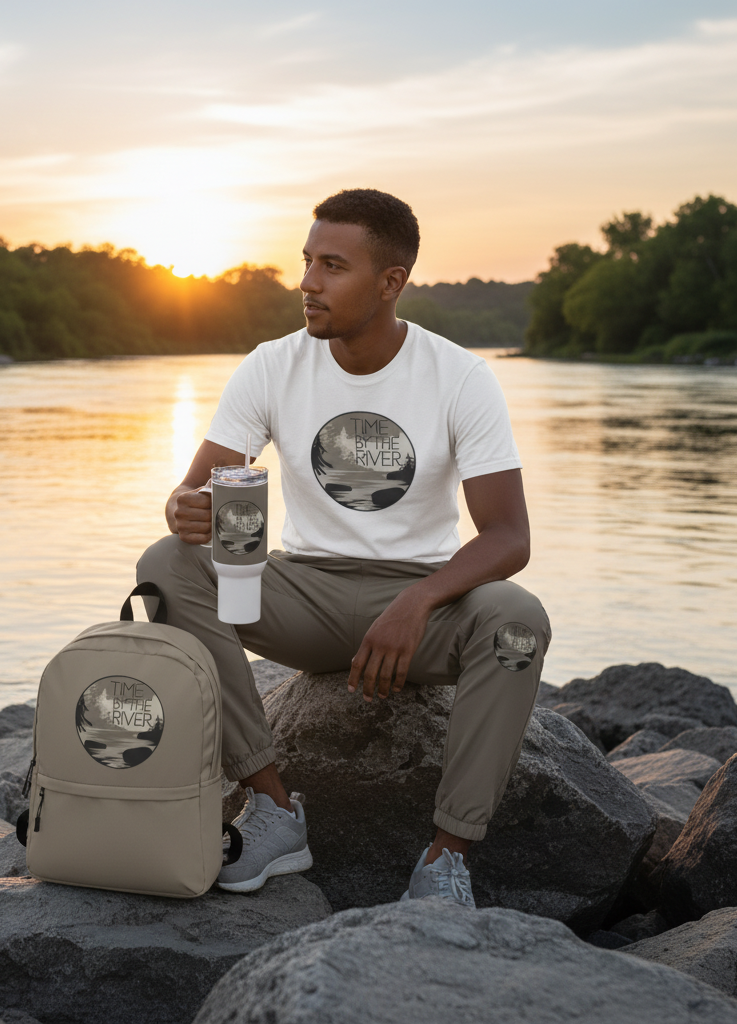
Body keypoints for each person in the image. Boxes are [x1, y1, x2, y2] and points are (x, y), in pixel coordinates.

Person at [137, 188, 550, 907]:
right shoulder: (271, 366)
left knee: (518, 622)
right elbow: (193, 491)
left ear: (390, 283)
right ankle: (271, 807)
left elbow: (509, 536)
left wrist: (419, 600)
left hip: (425, 604)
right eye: (306, 261)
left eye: (333, 265)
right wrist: (183, 509)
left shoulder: (459, 376)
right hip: (306, 593)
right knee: (165, 568)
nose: (307, 282)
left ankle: (446, 856)